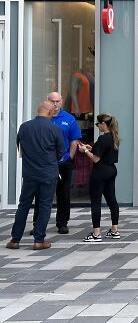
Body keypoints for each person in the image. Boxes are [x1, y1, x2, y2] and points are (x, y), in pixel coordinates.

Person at [6, 101, 64, 250]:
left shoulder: (24, 127)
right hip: (48, 173)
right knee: (45, 205)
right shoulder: (55, 129)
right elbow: (60, 152)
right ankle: (39, 240)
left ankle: (15, 239)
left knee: (23, 205)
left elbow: (20, 148)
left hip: (30, 173)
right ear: (50, 113)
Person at [33, 92, 82, 234]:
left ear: (61, 102)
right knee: (41, 193)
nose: (55, 104)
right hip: (45, 162)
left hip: (63, 162)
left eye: (58, 101)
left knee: (63, 193)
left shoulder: (69, 119)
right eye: (52, 101)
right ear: (47, 101)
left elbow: (74, 140)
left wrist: (69, 157)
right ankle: (38, 223)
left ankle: (62, 223)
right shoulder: (42, 119)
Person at [80, 113, 120, 243]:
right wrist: (91, 148)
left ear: (104, 124)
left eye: (98, 124)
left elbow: (96, 158)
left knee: (96, 201)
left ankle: (96, 233)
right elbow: (101, 152)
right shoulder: (113, 137)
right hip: (111, 169)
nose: (97, 126)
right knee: (112, 199)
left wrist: (85, 151)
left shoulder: (103, 139)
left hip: (100, 171)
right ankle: (114, 230)